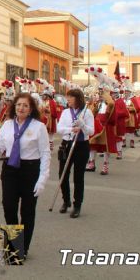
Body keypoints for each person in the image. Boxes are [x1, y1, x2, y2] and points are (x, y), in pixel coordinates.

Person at [0, 92, 50, 258]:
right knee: (9, 206)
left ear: (31, 108)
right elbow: (0, 147)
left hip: (30, 170)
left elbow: (45, 154)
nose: (21, 108)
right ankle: (14, 239)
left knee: (27, 211)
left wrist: (42, 179)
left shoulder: (39, 127)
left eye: (25, 105)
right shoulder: (8, 125)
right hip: (10, 168)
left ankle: (22, 248)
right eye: (19, 105)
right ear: (14, 107)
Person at [57, 88, 95, 218]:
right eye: (67, 97)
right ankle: (66, 200)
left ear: (77, 98)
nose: (67, 100)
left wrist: (82, 125)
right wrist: (71, 129)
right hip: (67, 144)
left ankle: (77, 204)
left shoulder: (87, 112)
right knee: (63, 174)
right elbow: (59, 129)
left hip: (81, 146)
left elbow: (91, 131)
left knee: (78, 177)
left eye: (70, 98)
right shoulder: (66, 112)